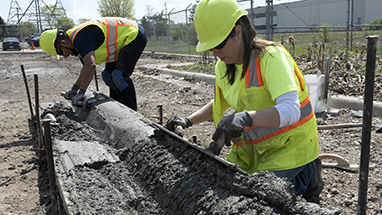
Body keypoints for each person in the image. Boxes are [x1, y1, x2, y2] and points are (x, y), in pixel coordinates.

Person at [166, 0, 323, 202]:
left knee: (257, 201)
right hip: (252, 154)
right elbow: (220, 104)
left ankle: (308, 178)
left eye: (219, 44)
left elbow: (291, 110)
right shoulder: (224, 66)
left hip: (289, 151)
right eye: (211, 47)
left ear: (238, 32)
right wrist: (188, 121)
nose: (215, 52)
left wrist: (246, 118)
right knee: (225, 191)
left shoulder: (271, 57)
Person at [39, 17, 147, 111]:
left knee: (119, 77)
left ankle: (132, 113)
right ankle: (118, 110)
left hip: (134, 36)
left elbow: (90, 65)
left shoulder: (80, 38)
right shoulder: (76, 42)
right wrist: (74, 89)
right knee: (108, 76)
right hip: (122, 43)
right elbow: (86, 68)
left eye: (61, 52)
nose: (65, 56)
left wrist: (81, 93)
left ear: (63, 43)